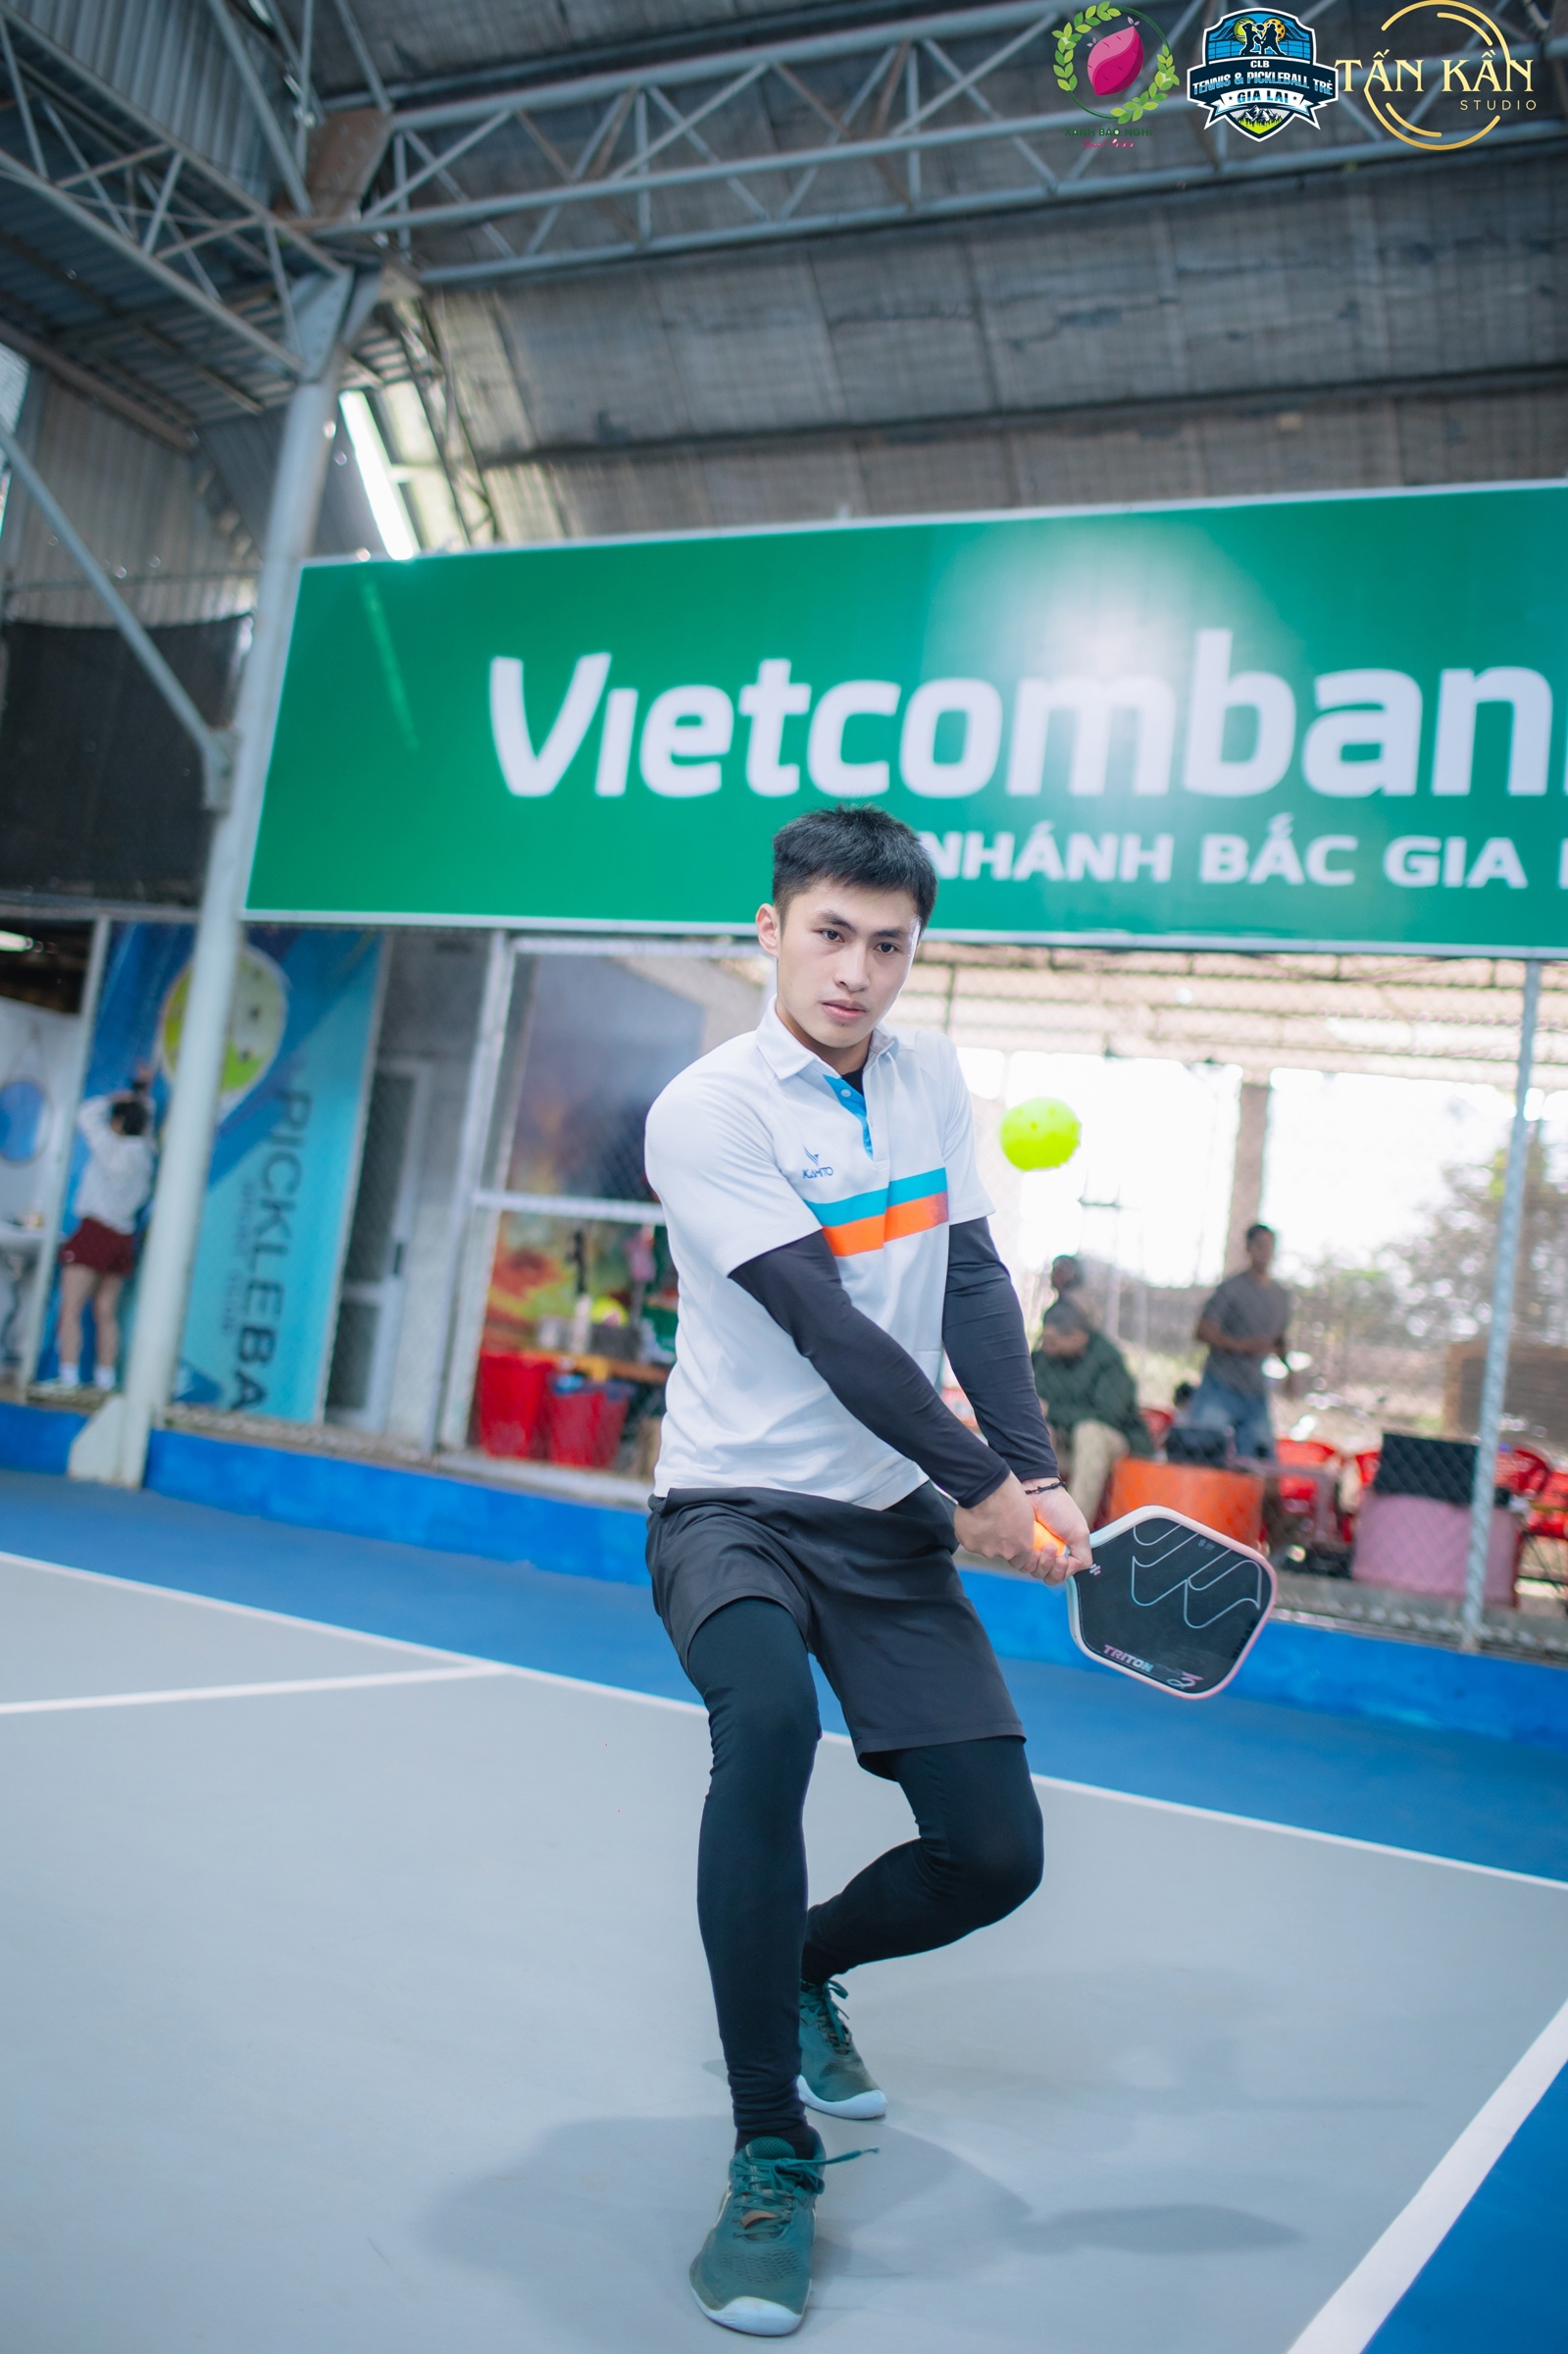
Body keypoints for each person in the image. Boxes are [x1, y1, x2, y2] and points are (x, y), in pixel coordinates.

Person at [643, 805, 1091, 2337]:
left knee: (994, 1857)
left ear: (913, 955)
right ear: (769, 930)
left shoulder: (928, 1078)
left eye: (886, 945)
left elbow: (968, 1281)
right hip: (732, 1510)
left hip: (885, 1520)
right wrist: (980, 1486)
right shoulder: (705, 1112)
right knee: (765, 1725)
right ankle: (768, 2149)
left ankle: (794, 1967)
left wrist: (1031, 1469)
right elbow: (826, 1327)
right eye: (827, 933)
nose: (853, 970)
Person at [51, 1083, 156, 1392]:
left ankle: (68, 1378)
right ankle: (105, 1379)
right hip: (123, 1237)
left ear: (118, 1123)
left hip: (95, 1230)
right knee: (106, 1312)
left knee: (71, 1308)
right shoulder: (145, 1155)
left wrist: (116, 1098)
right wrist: (140, 1098)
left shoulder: (109, 1145)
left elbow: (86, 1113)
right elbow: (145, 1122)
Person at [1030, 1297, 1152, 1524]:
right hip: (1064, 1444)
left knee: (1089, 1432)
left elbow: (1109, 1415)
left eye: (1053, 1340)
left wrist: (1052, 1411)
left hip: (1113, 1442)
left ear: (1078, 1336)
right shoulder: (1043, 1359)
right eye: (1045, 1339)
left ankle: (1070, 1528)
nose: (1046, 1346)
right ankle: (1027, 1521)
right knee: (1037, 1430)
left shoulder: (1108, 1360)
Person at [1188, 1221, 1291, 1461]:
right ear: (1249, 1248)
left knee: (1259, 1463)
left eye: (1270, 1246)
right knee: (1201, 1453)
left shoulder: (1280, 1296)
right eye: (1260, 1245)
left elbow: (1279, 1339)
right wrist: (1243, 1346)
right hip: (1220, 1385)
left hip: (1254, 1390)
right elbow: (1203, 1331)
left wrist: (1289, 1371)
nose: (1265, 1251)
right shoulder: (1231, 1289)